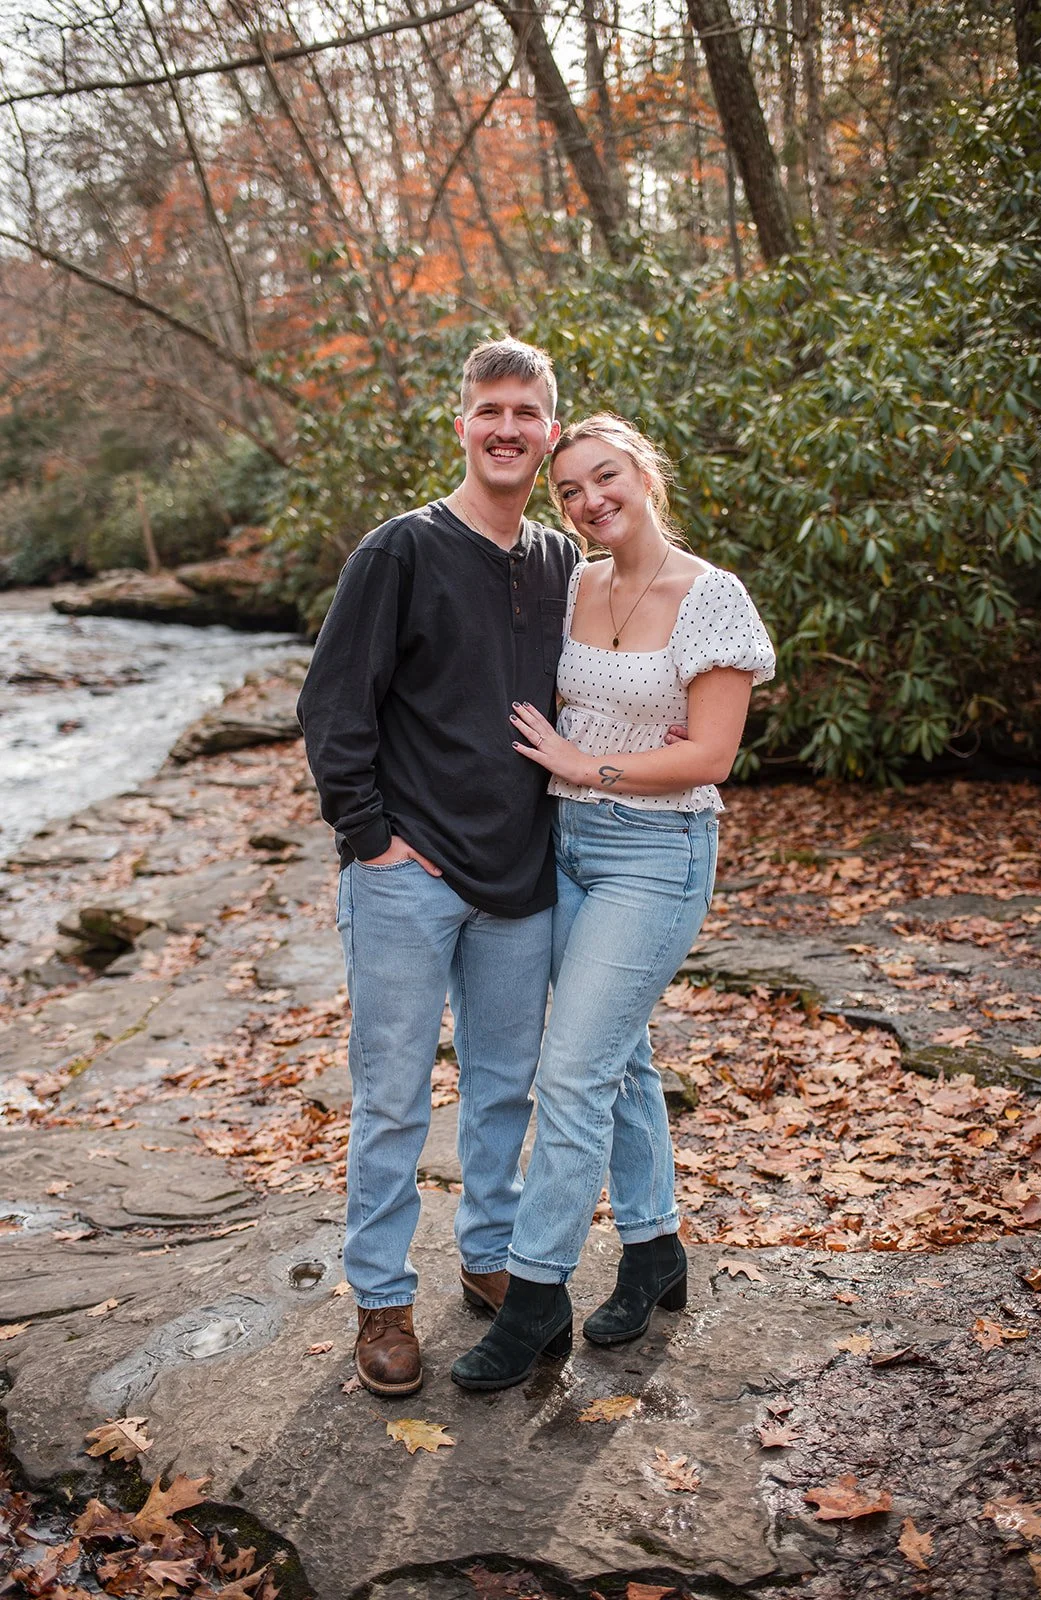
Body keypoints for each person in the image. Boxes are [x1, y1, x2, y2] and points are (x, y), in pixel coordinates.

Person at [451, 414, 776, 1392]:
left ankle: (539, 1285)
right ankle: (653, 1248)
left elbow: (711, 754)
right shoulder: (572, 584)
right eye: (571, 492)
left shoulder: (712, 597)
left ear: (644, 471)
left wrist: (585, 760)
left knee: (575, 1069)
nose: (591, 500)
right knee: (619, 1055)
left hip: (657, 852)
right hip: (566, 847)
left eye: (606, 477)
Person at [297, 338, 579, 1397]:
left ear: (550, 431)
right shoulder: (399, 552)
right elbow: (333, 706)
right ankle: (380, 1295)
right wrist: (368, 834)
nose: (507, 428)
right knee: (395, 1097)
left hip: (522, 879)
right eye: (489, 409)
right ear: (461, 422)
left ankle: (488, 1257)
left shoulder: (559, 562)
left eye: (527, 412)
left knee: (506, 1087)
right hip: (408, 877)